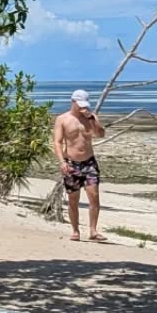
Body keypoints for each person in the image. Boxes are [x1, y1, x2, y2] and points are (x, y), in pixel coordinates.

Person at [53, 88, 107, 243]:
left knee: (94, 197)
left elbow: (100, 134)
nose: (82, 107)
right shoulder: (62, 119)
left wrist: (92, 120)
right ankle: (75, 231)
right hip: (71, 163)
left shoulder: (91, 117)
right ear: (73, 102)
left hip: (89, 162)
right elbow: (57, 142)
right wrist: (62, 161)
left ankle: (93, 230)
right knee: (73, 199)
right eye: (80, 104)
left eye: (84, 104)